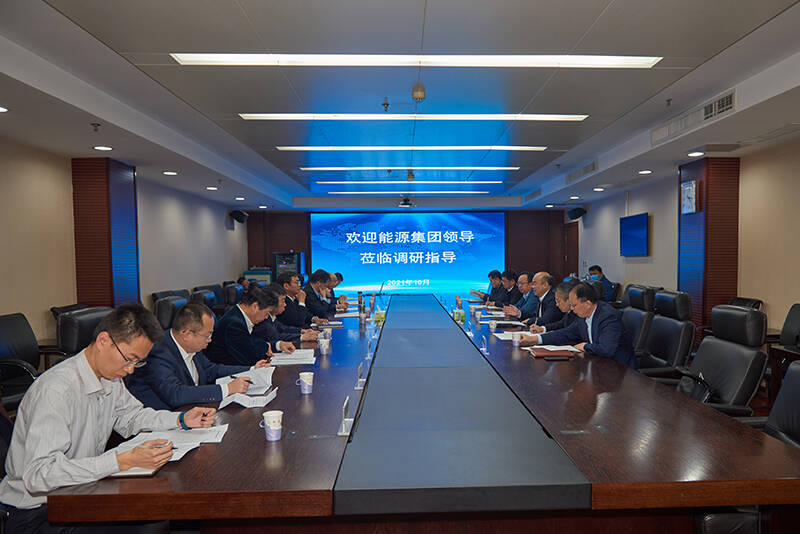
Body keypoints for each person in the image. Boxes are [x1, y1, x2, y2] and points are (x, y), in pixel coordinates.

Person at [0, 303, 216, 533]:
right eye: (129, 359)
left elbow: (133, 417)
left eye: (138, 362)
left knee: (164, 518)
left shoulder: (110, 379)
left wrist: (181, 420)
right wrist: (121, 461)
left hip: (78, 494)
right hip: (36, 513)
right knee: (149, 527)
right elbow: (39, 474)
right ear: (103, 341)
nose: (131, 369)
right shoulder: (56, 390)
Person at [127, 302, 270, 410]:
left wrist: (251, 369)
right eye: (207, 335)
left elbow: (211, 370)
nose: (210, 340)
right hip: (163, 423)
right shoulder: (157, 353)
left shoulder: (192, 346)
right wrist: (227, 389)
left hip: (193, 413)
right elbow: (176, 394)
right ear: (187, 333)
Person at [526, 282, 636, 369]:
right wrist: (536, 339)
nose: (572, 309)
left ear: (588, 304)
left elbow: (607, 349)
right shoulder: (583, 316)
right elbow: (566, 333)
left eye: (574, 305)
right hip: (598, 364)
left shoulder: (608, 317)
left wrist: (585, 346)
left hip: (620, 370)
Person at [205, 285, 292, 366]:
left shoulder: (239, 315)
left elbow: (251, 343)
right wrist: (266, 347)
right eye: (266, 313)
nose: (266, 317)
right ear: (255, 307)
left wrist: (276, 345)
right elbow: (249, 356)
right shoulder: (233, 324)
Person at [253, 284, 319, 344]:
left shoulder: (272, 316)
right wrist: (301, 337)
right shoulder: (262, 319)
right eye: (283, 300)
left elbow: (282, 328)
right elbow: (275, 337)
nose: (285, 304)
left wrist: (302, 331)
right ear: (272, 302)